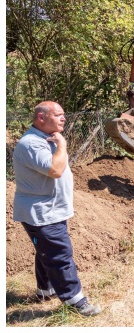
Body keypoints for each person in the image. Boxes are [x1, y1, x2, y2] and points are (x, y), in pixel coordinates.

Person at [12, 101, 102, 316]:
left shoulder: (46, 138)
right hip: (42, 212)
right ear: (41, 118)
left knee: (46, 250)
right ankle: (75, 301)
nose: (63, 118)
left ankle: (46, 290)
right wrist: (62, 145)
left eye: (63, 114)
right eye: (58, 115)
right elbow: (54, 170)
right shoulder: (32, 143)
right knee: (59, 254)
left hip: (51, 209)